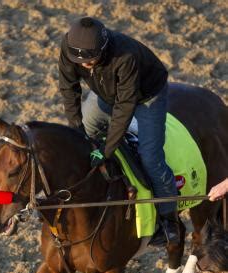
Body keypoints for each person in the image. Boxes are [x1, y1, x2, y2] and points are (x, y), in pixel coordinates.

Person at [58, 16, 180, 244]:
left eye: (90, 60)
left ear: (103, 49)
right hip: (105, 93)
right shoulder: (69, 47)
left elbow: (124, 107)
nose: (84, 65)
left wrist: (106, 150)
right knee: (85, 130)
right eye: (80, 61)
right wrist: (77, 132)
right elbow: (68, 89)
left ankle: (168, 219)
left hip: (145, 96)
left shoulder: (126, 56)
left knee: (151, 157)